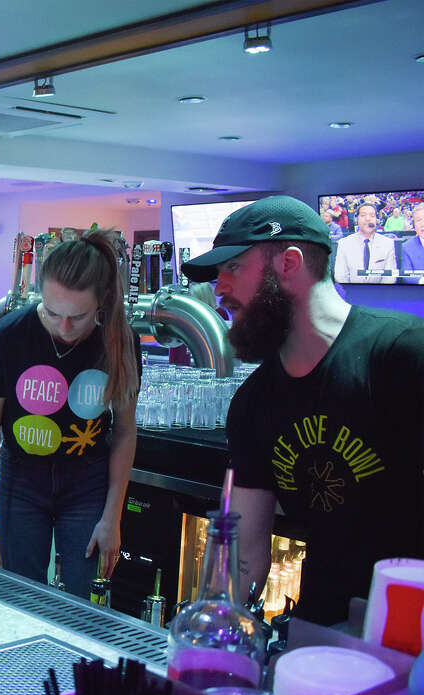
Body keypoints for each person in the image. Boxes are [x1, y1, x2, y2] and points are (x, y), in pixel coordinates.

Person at [181, 195, 424, 626]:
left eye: (233, 267)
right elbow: (244, 556)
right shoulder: (254, 404)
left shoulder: (402, 354)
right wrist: (211, 626)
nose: (219, 288)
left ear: (289, 263)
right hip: (324, 631)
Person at [0, 229, 141, 599]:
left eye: (78, 317)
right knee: (20, 596)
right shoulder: (5, 337)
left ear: (102, 302)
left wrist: (113, 516)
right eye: (52, 312)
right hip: (21, 481)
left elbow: (126, 432)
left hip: (88, 484)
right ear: (40, 296)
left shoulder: (118, 340)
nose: (64, 328)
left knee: (84, 600)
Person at [334, 202, 398, 283]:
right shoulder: (344, 244)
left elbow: (390, 277)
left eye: (372, 216)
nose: (368, 219)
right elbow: (340, 276)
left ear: (376, 220)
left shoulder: (388, 243)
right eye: (363, 215)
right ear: (356, 219)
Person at [401, 203, 424, 278]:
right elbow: (406, 275)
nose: (422, 224)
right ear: (414, 225)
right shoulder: (407, 247)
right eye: (418, 220)